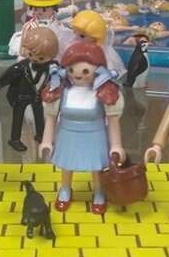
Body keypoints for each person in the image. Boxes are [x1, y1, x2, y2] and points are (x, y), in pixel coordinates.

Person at [39, 41, 125, 215]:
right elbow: (51, 117)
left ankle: (99, 191)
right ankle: (65, 189)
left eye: (85, 71)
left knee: (96, 166)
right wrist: (47, 141)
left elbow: (113, 121)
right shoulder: (60, 91)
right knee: (67, 164)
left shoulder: (104, 93)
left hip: (95, 135)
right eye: (71, 70)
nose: (77, 75)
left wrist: (116, 145)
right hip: (67, 134)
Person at [0, 26, 58, 152]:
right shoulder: (21, 67)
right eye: (31, 54)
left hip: (38, 95)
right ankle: (15, 139)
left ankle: (41, 134)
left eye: (41, 58)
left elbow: (59, 76)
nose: (35, 58)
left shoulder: (52, 68)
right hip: (21, 95)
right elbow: (9, 75)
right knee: (18, 117)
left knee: (39, 114)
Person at [69, 9, 127, 76]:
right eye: (74, 32)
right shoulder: (81, 49)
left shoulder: (104, 57)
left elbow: (108, 75)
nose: (75, 38)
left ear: (96, 38)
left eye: (82, 36)